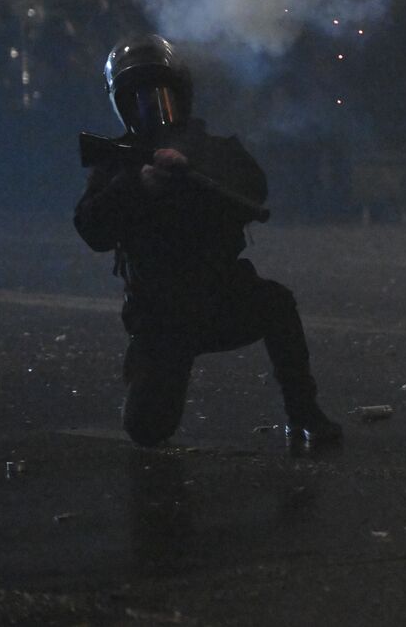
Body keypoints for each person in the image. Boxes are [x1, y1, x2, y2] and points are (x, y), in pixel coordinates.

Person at [74, 34, 340, 446]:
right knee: (148, 429)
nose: (152, 108)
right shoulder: (120, 164)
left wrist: (195, 173)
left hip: (221, 296)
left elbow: (254, 190)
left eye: (161, 95)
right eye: (139, 98)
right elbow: (92, 229)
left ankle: (304, 413)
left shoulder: (213, 150)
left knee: (277, 305)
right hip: (160, 314)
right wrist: (139, 186)